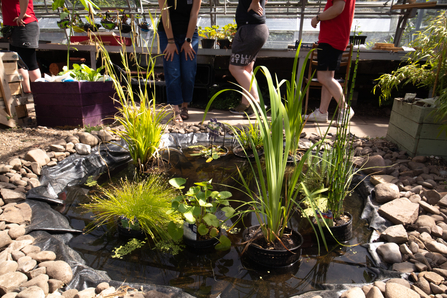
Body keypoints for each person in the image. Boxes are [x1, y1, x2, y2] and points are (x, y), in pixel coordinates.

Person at [304, 0, 355, 126]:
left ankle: (345, 108)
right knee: (328, 77)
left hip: (331, 38)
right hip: (335, 37)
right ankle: (322, 112)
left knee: (323, 77)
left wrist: (317, 17)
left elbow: (338, 9)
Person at [157, 0, 201, 124]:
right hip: (167, 34)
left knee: (188, 71)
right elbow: (165, 14)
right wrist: (171, 41)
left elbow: (194, 14)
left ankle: (185, 106)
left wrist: (188, 41)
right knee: (173, 71)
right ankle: (175, 108)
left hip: (189, 34)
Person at [228, 0, 269, 115]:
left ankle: (257, 103)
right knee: (247, 69)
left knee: (235, 68)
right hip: (256, 28)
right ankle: (245, 103)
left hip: (250, 28)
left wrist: (255, 1)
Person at [0, 0, 41, 94]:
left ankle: (41, 94)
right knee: (19, 64)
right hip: (13, 26)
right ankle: (27, 93)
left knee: (30, 63)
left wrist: (22, 14)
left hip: (24, 24)